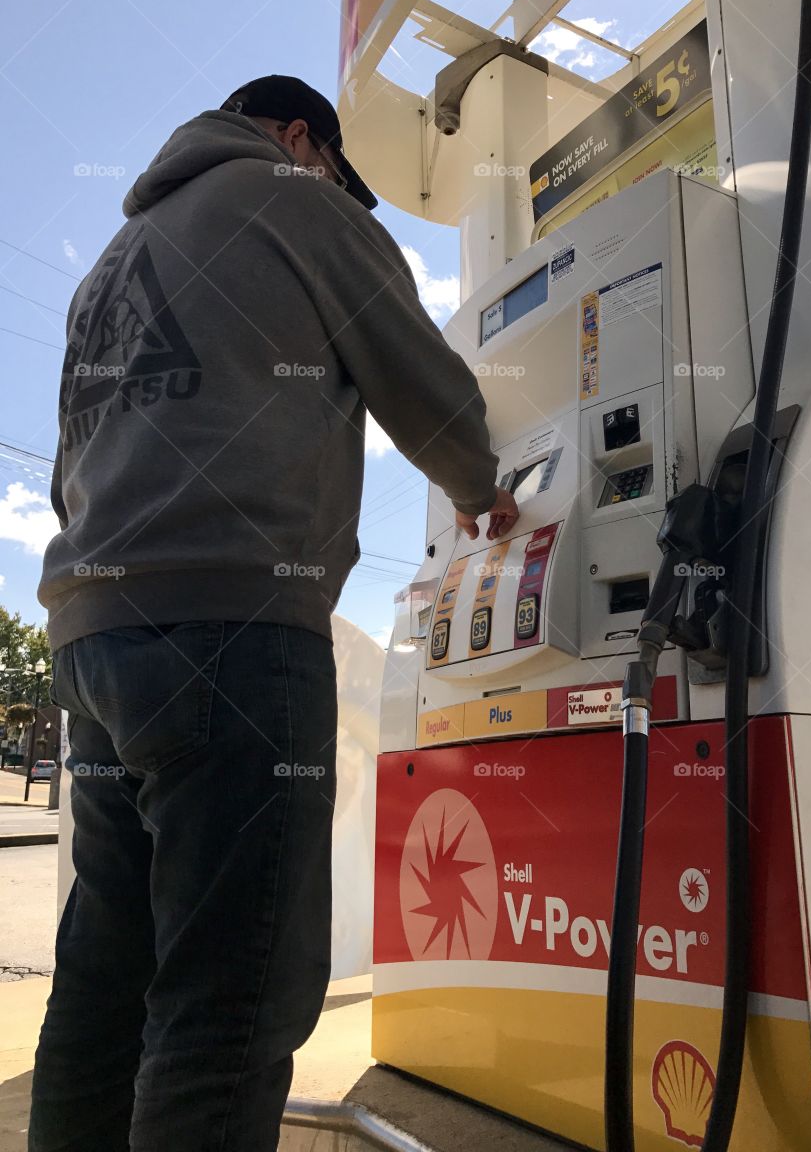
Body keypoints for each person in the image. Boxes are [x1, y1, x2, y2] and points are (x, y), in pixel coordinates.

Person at [31, 74, 519, 1152]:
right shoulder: (295, 200)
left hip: (95, 642)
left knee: (106, 981)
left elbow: (73, 467)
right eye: (342, 177)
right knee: (232, 1000)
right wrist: (489, 488)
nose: (342, 195)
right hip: (232, 634)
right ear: (304, 140)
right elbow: (422, 382)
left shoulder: (114, 264)